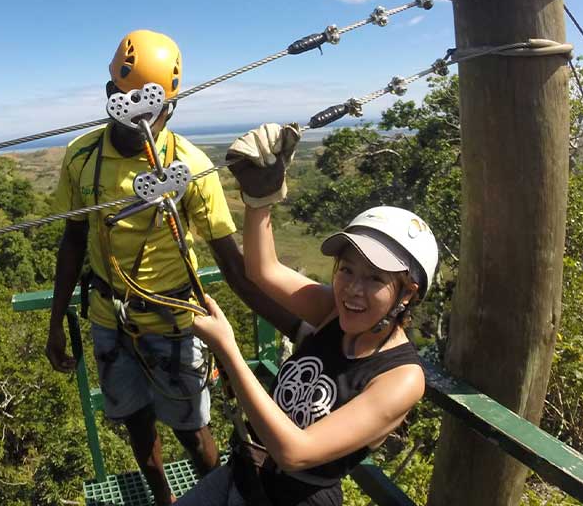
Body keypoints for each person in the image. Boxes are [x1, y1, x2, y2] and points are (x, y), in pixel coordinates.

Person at [46, 33, 300, 505]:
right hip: (108, 316)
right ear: (109, 98)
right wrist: (56, 321)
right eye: (128, 104)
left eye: (153, 107)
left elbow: (233, 264)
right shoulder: (82, 158)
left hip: (175, 321)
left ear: (171, 109)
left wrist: (299, 328)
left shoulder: (190, 165)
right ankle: (163, 496)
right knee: (137, 426)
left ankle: (213, 496)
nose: (141, 119)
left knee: (193, 431)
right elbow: (73, 238)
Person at [179, 123, 437, 506]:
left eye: (374, 279)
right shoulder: (335, 313)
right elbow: (263, 270)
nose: (352, 289)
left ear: (407, 293)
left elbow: (296, 451)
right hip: (245, 471)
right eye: (346, 269)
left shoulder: (401, 378)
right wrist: (259, 200)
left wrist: (229, 351)